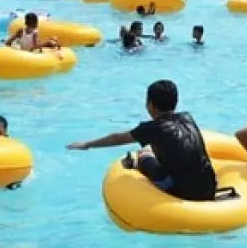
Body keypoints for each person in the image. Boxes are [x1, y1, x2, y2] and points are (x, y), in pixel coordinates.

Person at [67, 80, 217, 201]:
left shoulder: (152, 128)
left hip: (183, 193)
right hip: (209, 187)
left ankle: (136, 164)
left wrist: (87, 144)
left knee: (143, 153)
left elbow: (118, 138)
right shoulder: (188, 117)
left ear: (150, 105)